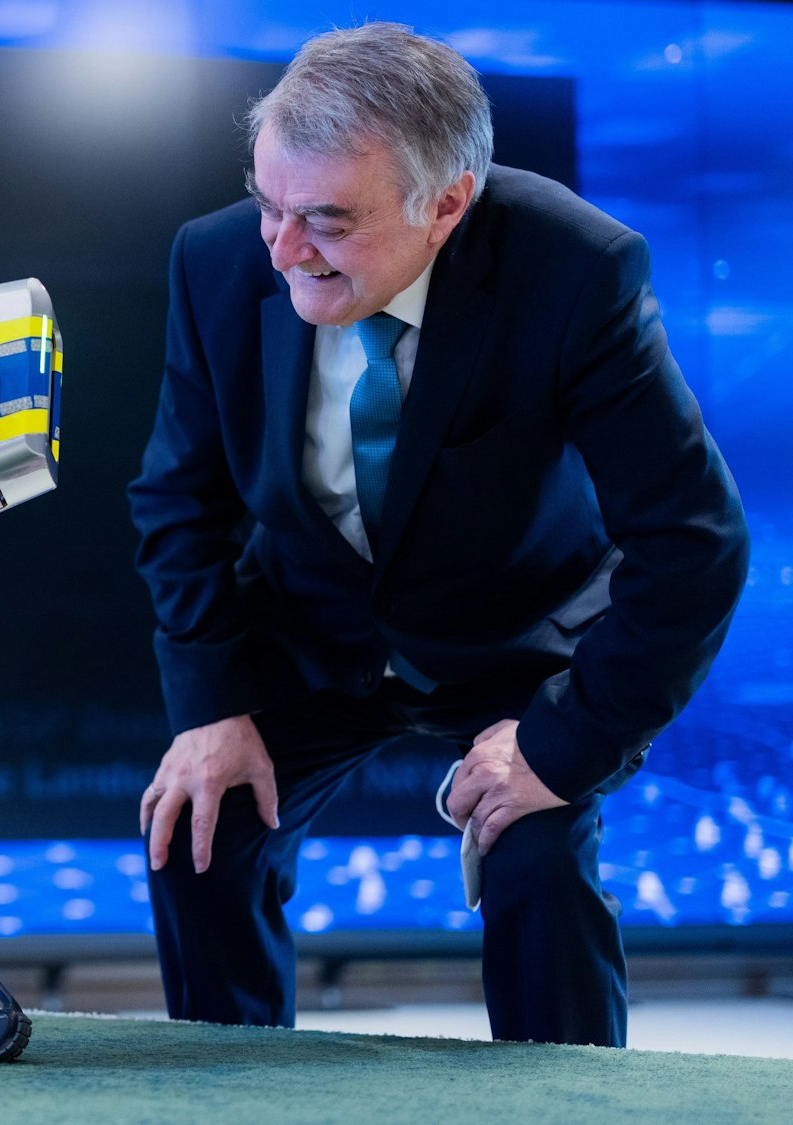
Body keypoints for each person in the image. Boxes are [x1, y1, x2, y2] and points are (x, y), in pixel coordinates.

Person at [126, 22, 747, 1047]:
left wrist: (563, 743)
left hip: (513, 635)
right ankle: (227, 1098)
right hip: (310, 629)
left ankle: (568, 1108)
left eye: (323, 219)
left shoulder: (573, 269)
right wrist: (213, 705)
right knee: (193, 829)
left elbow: (693, 539)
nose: (280, 250)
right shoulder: (214, 259)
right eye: (268, 205)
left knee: (536, 859)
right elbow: (176, 501)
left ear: (444, 204)